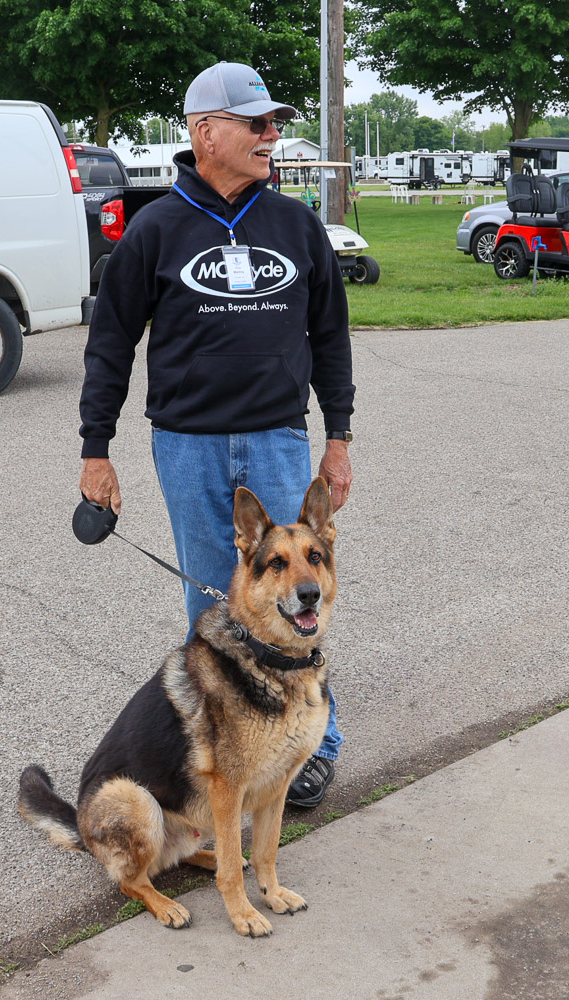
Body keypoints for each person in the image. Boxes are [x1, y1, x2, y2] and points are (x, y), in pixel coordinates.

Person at [78, 61, 355, 808]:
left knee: (298, 597)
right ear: (205, 132)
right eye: (256, 123)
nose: (272, 136)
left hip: (276, 438)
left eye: (274, 124)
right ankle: (231, 749)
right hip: (189, 447)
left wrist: (338, 436)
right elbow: (110, 344)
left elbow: (331, 335)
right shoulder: (155, 230)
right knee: (216, 610)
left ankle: (315, 741)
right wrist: (96, 450)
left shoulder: (296, 224)